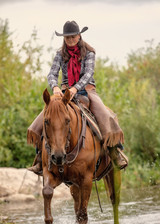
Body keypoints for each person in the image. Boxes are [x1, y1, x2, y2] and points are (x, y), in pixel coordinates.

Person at [27, 21, 128, 175]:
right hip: (64, 93)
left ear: (79, 36)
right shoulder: (59, 54)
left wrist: (75, 88)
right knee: (44, 119)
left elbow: (88, 75)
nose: (70, 40)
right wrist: (55, 86)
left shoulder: (89, 52)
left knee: (105, 116)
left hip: (87, 91)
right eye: (67, 38)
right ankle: (40, 158)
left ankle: (115, 152)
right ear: (64, 39)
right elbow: (52, 73)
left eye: (73, 37)